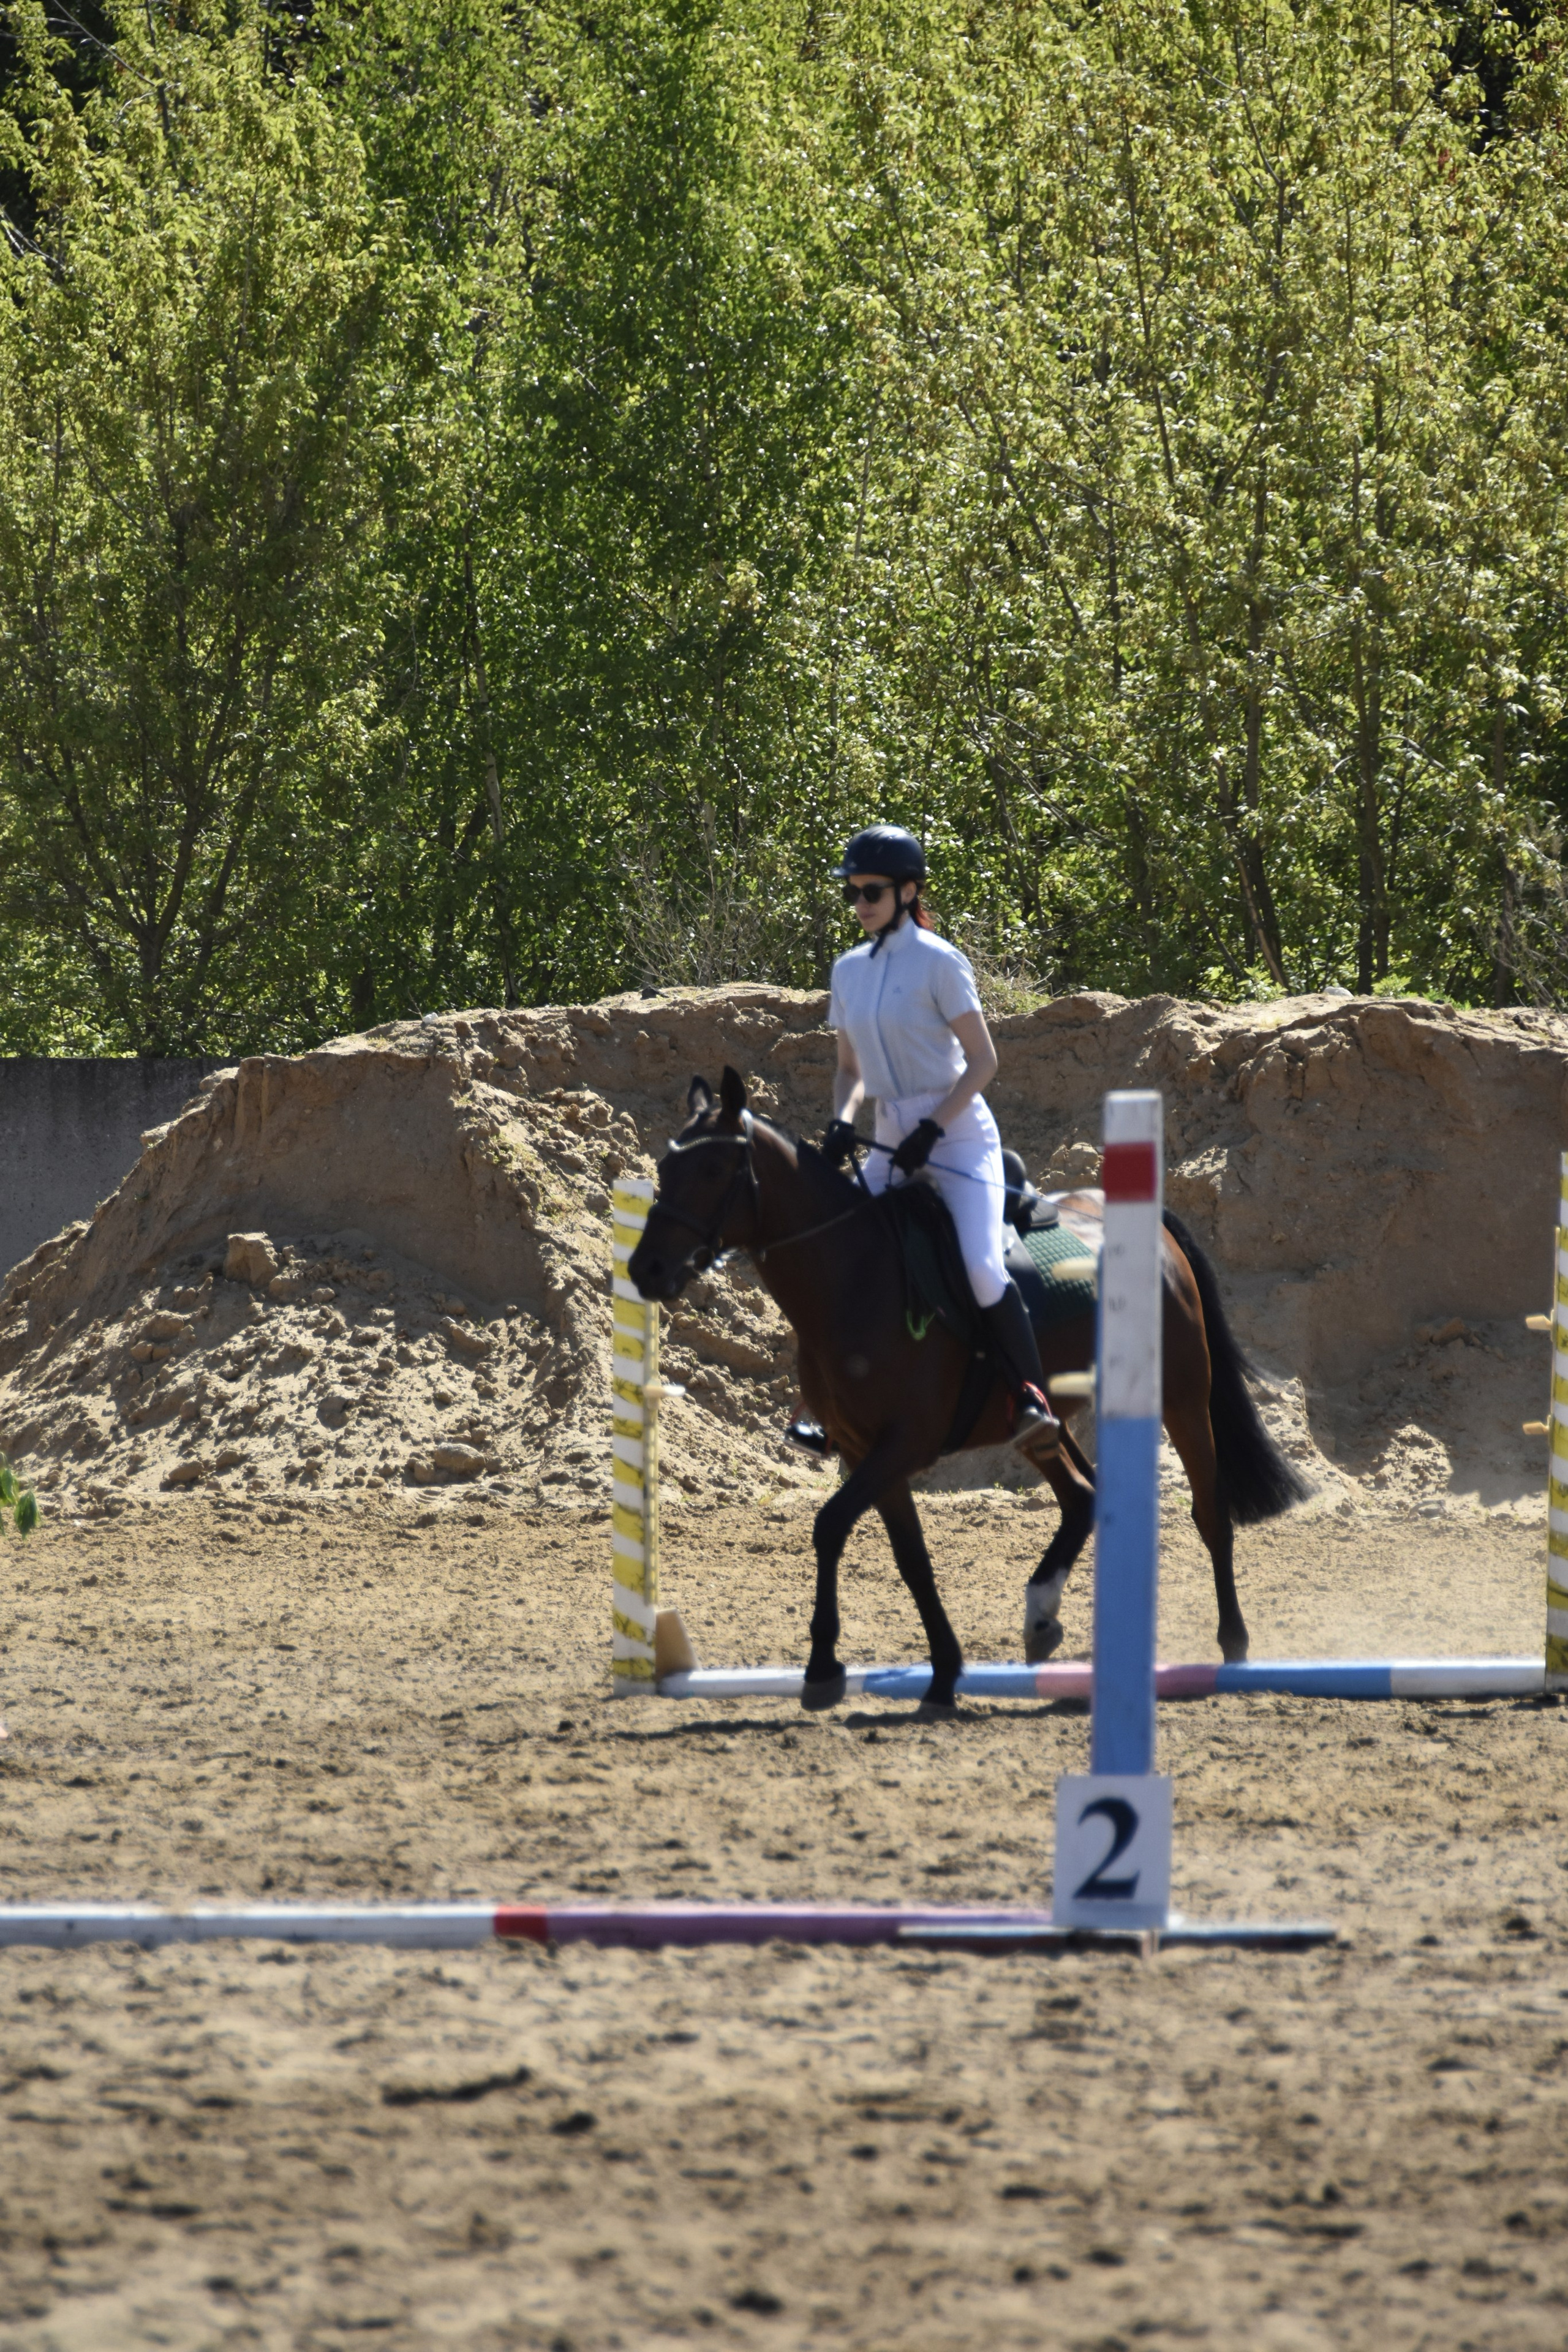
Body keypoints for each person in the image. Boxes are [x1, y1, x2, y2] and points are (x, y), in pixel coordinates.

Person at [783, 824, 1058, 1461]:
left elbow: (984, 1060)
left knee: (982, 1267)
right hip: (887, 1137)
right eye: (851, 893)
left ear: (908, 891)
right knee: (837, 1255)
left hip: (959, 1136)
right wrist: (842, 1120)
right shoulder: (848, 971)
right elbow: (850, 1070)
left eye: (871, 891)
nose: (859, 904)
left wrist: (934, 1127)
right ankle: (821, 1404)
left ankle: (1030, 1397)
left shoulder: (939, 961)